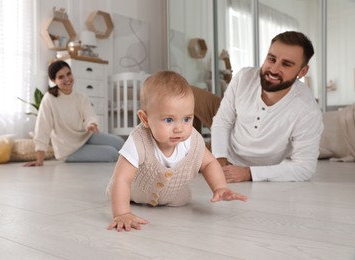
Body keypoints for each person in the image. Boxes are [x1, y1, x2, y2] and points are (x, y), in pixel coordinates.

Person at [106, 71, 247, 232]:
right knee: (117, 188)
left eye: (187, 119)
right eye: (169, 120)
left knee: (182, 198)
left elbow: (209, 163)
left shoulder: (192, 140)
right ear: (145, 119)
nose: (179, 128)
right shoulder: (139, 140)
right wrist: (122, 213)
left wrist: (220, 187)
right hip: (135, 192)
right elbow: (122, 179)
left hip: (175, 197)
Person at [192, 31, 324, 182]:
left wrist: (249, 173)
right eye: (271, 59)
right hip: (226, 144)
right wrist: (219, 161)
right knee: (178, 91)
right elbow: (222, 121)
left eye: (286, 64)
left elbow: (304, 168)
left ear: (302, 71)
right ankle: (185, 143)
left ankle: (189, 150)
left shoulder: (307, 110)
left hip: (247, 164)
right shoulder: (244, 77)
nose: (274, 69)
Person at [24, 60, 124, 166]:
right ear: (53, 80)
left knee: (120, 142)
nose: (67, 79)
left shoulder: (81, 96)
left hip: (85, 136)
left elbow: (90, 115)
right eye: (61, 77)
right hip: (68, 149)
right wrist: (40, 160)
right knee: (112, 153)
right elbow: (42, 129)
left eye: (68, 74)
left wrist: (91, 123)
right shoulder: (49, 99)